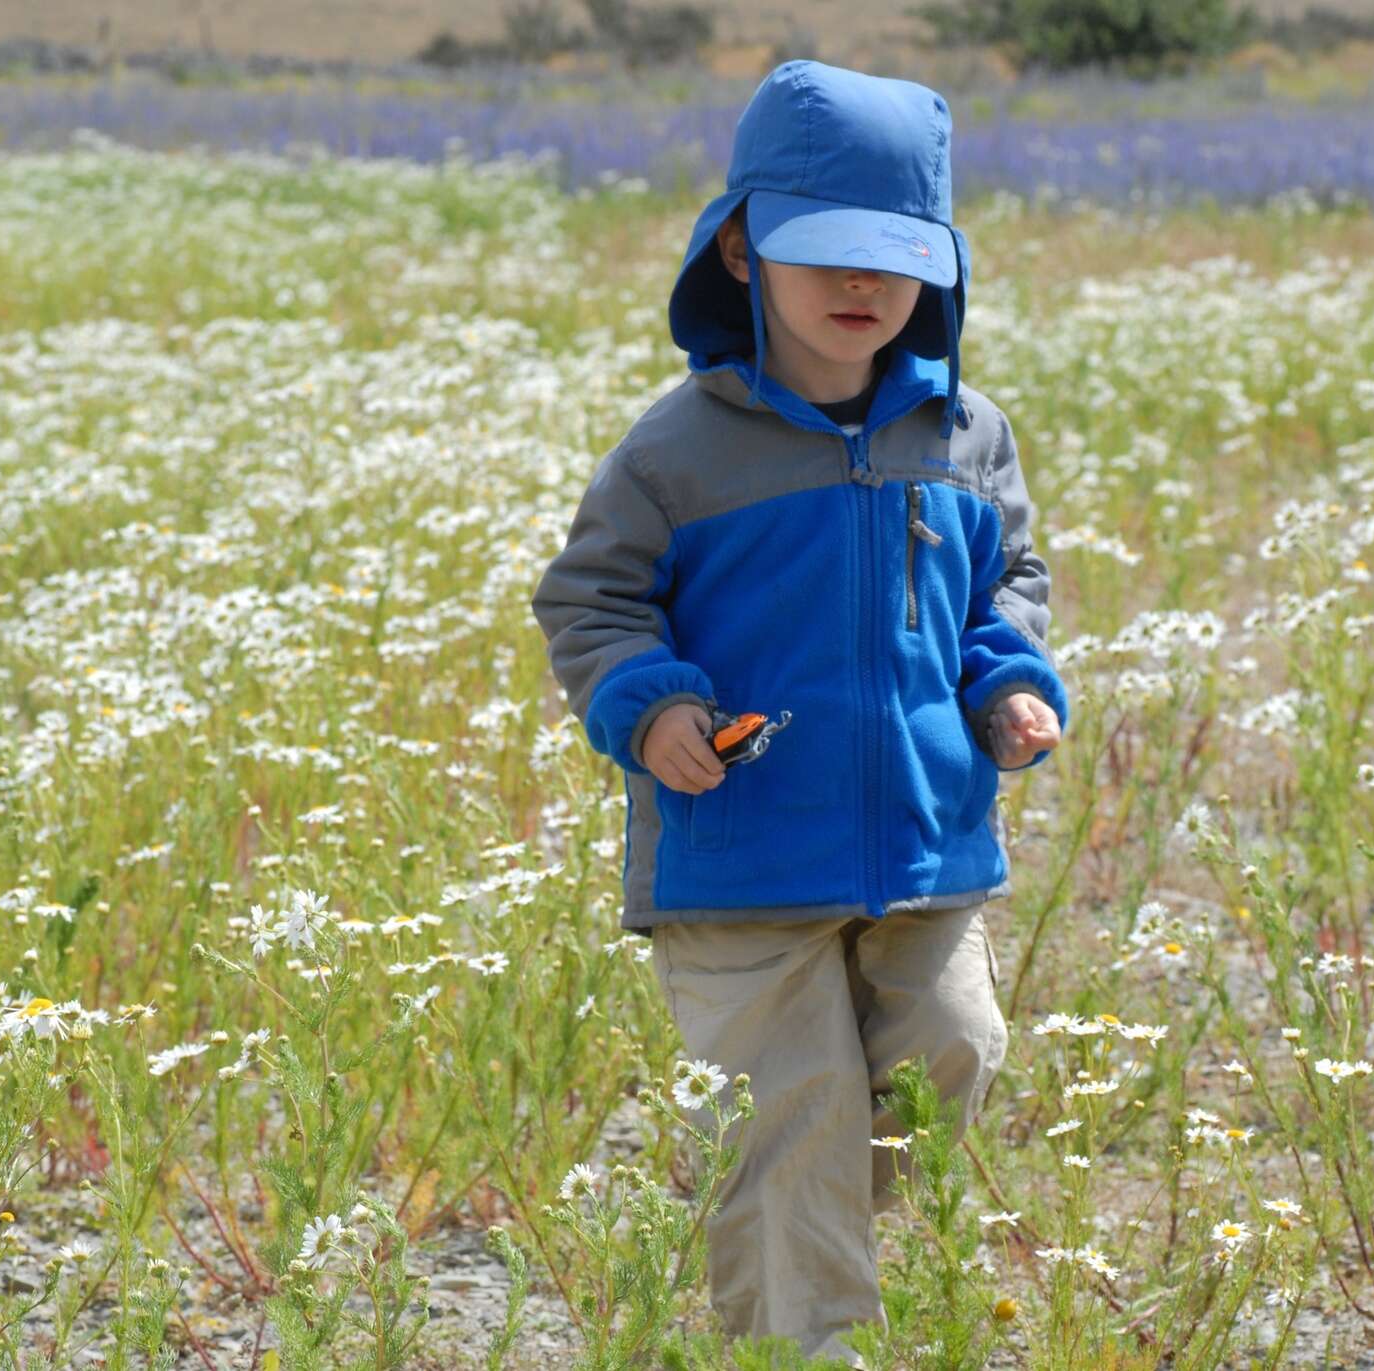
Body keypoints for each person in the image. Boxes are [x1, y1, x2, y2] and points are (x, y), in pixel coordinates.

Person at [530, 59, 1069, 1367]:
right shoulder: (677, 451)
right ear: (738, 245)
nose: (859, 288)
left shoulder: (966, 433)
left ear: (939, 266)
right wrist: (651, 710)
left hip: (928, 849)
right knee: (800, 1103)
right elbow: (590, 603)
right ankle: (802, 1335)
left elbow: (1006, 589)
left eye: (894, 260)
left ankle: (807, 1232)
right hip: (741, 861)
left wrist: (1009, 682)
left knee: (956, 1047)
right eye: (822, 254)